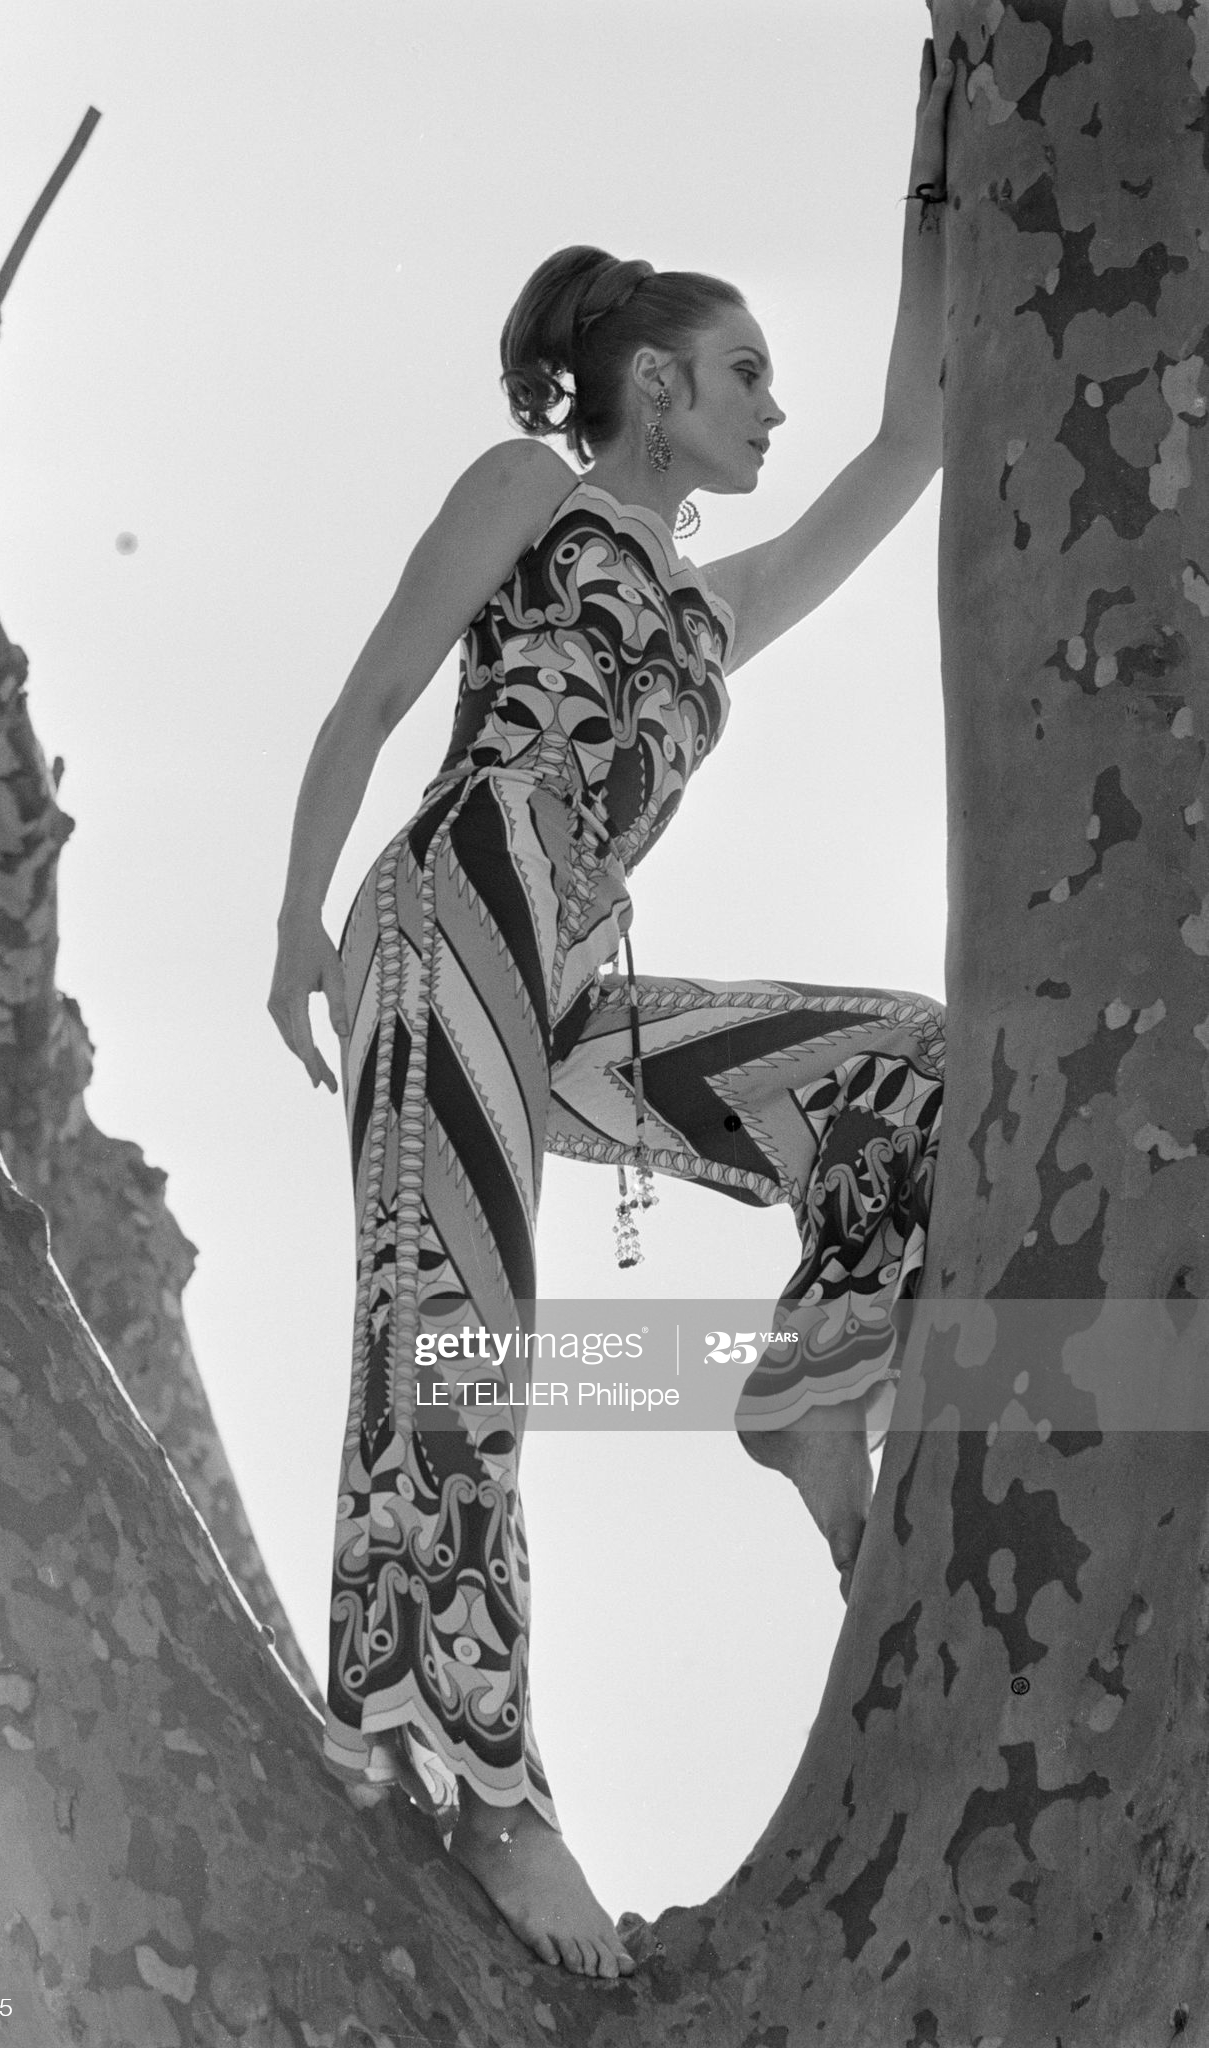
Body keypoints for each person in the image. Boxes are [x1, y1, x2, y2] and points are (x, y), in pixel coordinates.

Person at [269, 44, 954, 1985]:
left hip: (578, 984)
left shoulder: (716, 609)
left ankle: (813, 1383)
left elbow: (911, 443)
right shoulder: (532, 495)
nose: (771, 412)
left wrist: (944, 155)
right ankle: (482, 1792)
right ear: (650, 381)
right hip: (449, 914)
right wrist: (292, 921)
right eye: (744, 375)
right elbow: (370, 694)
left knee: (912, 1067)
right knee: (453, 1333)